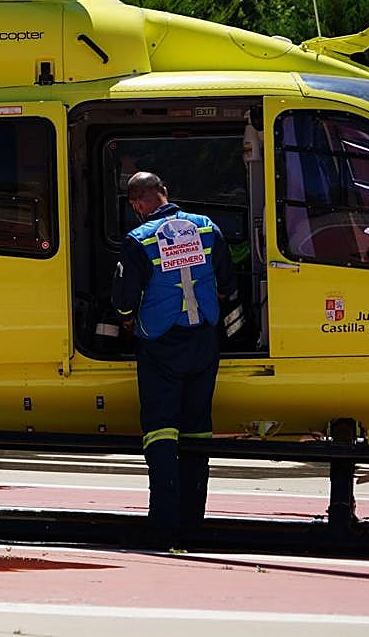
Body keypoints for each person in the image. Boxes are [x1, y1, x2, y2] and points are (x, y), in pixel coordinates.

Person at [111, 172, 234, 543]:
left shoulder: (138, 239)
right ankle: (194, 520)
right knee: (198, 429)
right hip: (204, 339)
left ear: (137, 203)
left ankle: (164, 523)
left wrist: (127, 321)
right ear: (166, 192)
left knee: (161, 431)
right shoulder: (207, 228)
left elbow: (123, 300)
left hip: (161, 344)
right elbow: (227, 281)